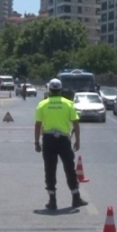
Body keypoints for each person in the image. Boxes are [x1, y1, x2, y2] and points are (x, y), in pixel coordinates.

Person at [34, 78, 87, 210]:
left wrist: (36, 142)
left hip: (48, 139)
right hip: (64, 140)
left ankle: (52, 200)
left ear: (49, 90)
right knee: (69, 168)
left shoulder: (42, 104)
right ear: (61, 90)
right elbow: (75, 123)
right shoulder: (69, 104)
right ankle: (76, 198)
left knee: (50, 169)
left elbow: (38, 124)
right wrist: (78, 140)